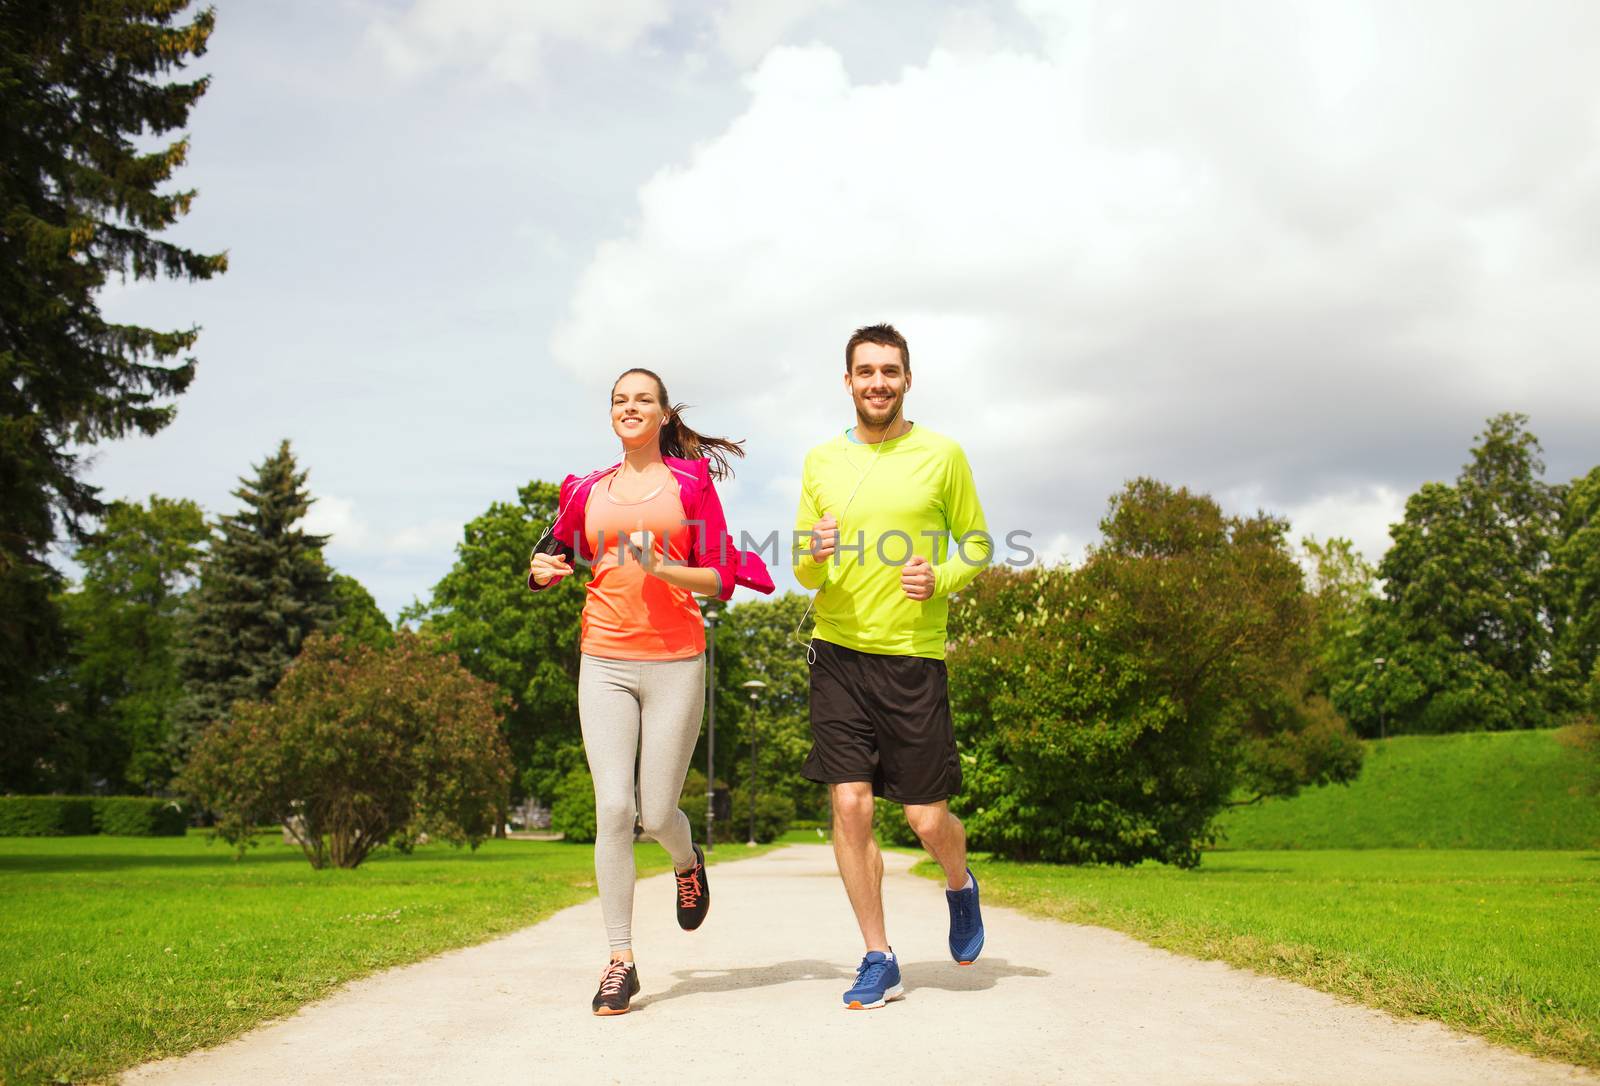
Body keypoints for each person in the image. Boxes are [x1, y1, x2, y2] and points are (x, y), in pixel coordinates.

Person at [528, 368, 773, 1016]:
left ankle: (686, 861)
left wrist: (668, 568)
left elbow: (720, 575)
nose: (630, 407)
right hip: (603, 658)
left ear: (664, 415)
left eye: (643, 399)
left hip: (675, 661)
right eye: (619, 400)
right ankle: (620, 960)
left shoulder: (690, 484)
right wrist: (544, 569)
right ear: (611, 415)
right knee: (614, 809)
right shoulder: (588, 489)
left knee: (656, 813)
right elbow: (551, 549)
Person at [793, 323, 991, 1010]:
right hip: (838, 651)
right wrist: (815, 553)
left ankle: (959, 886)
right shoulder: (820, 461)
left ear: (907, 380)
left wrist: (939, 577)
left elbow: (977, 543)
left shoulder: (943, 455)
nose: (878, 382)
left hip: (911, 657)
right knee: (849, 804)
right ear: (847, 381)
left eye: (890, 371)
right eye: (865, 371)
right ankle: (878, 955)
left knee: (927, 819)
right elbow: (801, 567)